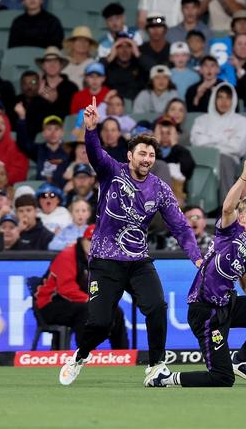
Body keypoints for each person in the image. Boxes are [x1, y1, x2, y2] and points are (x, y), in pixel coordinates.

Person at [58, 96, 202, 387]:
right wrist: (90, 130)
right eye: (142, 154)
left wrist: (196, 257)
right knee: (100, 323)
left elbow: (180, 225)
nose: (147, 159)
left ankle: (156, 366)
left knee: (157, 307)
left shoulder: (160, 188)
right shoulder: (112, 172)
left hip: (138, 262)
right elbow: (95, 154)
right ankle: (80, 356)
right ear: (130, 155)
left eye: (151, 155)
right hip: (105, 261)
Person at [146, 158, 246, 388]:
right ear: (242, 219)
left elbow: (245, 271)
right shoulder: (229, 231)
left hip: (226, 305)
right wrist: (244, 177)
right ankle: (164, 379)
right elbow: (227, 207)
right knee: (222, 378)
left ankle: (243, 360)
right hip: (205, 313)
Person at [37, 224, 128, 348]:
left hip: (77, 302)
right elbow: (66, 289)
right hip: (50, 304)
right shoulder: (68, 255)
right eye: (91, 240)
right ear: (83, 240)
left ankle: (122, 355)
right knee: (86, 310)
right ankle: (84, 355)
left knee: (116, 311)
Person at [190, 82, 246, 202]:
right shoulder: (201, 120)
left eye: (228, 98)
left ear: (233, 100)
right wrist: (224, 139)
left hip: (228, 160)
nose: (224, 101)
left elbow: (236, 147)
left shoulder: (241, 121)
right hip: (202, 159)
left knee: (223, 159)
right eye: (220, 97)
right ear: (214, 98)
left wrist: (209, 139)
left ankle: (226, 207)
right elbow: (196, 142)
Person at [16, 112, 70, 189]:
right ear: (43, 133)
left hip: (62, 190)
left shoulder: (69, 150)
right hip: (41, 190)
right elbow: (23, 143)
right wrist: (22, 119)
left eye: (56, 129)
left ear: (62, 133)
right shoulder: (38, 150)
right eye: (49, 129)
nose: (53, 133)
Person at [34, 46, 79, 120]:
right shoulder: (37, 86)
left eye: (55, 61)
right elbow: (31, 117)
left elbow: (72, 117)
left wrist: (55, 101)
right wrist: (38, 98)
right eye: (48, 61)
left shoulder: (71, 88)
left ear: (61, 65)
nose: (52, 65)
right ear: (43, 66)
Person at [101, 34, 149, 100]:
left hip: (137, 104)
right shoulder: (107, 64)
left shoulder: (140, 63)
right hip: (113, 105)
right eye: (120, 46)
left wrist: (137, 54)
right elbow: (95, 73)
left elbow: (154, 70)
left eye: (128, 46)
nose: (124, 50)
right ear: (114, 49)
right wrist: (110, 57)